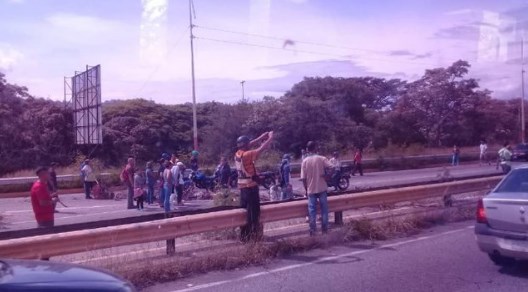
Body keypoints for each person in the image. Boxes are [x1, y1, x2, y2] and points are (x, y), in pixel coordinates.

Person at [235, 132, 274, 242]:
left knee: (244, 212)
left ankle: (244, 237)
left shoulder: (238, 154)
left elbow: (249, 144)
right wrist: (270, 138)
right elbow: (261, 148)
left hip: (242, 188)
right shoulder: (248, 155)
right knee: (253, 213)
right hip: (251, 188)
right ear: (246, 145)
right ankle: (253, 237)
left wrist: (261, 137)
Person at [301, 141, 333, 236]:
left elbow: (303, 178)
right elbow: (333, 167)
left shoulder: (305, 161)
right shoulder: (321, 158)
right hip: (322, 188)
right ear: (315, 148)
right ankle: (324, 230)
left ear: (307, 150)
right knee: (324, 209)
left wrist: (306, 190)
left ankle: (313, 231)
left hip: (311, 189)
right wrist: (327, 176)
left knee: (312, 211)